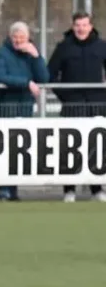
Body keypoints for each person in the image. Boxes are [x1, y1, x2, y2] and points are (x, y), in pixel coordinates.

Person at [47, 11, 106, 203]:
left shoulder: (101, 46)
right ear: (73, 26)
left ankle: (96, 189)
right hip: (71, 106)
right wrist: (65, 96)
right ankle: (69, 190)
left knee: (96, 147)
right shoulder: (63, 47)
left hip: (97, 106)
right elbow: (50, 75)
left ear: (90, 26)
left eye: (84, 25)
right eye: (77, 25)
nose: (81, 28)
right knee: (70, 147)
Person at [0, 21, 50, 201]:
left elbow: (44, 78)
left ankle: (14, 188)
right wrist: (26, 82)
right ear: (10, 37)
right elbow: (0, 76)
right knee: (3, 149)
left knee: (19, 149)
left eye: (22, 37)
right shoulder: (1, 53)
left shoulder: (31, 54)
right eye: (15, 37)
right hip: (5, 108)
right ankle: (3, 188)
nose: (19, 41)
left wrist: (37, 56)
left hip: (25, 107)